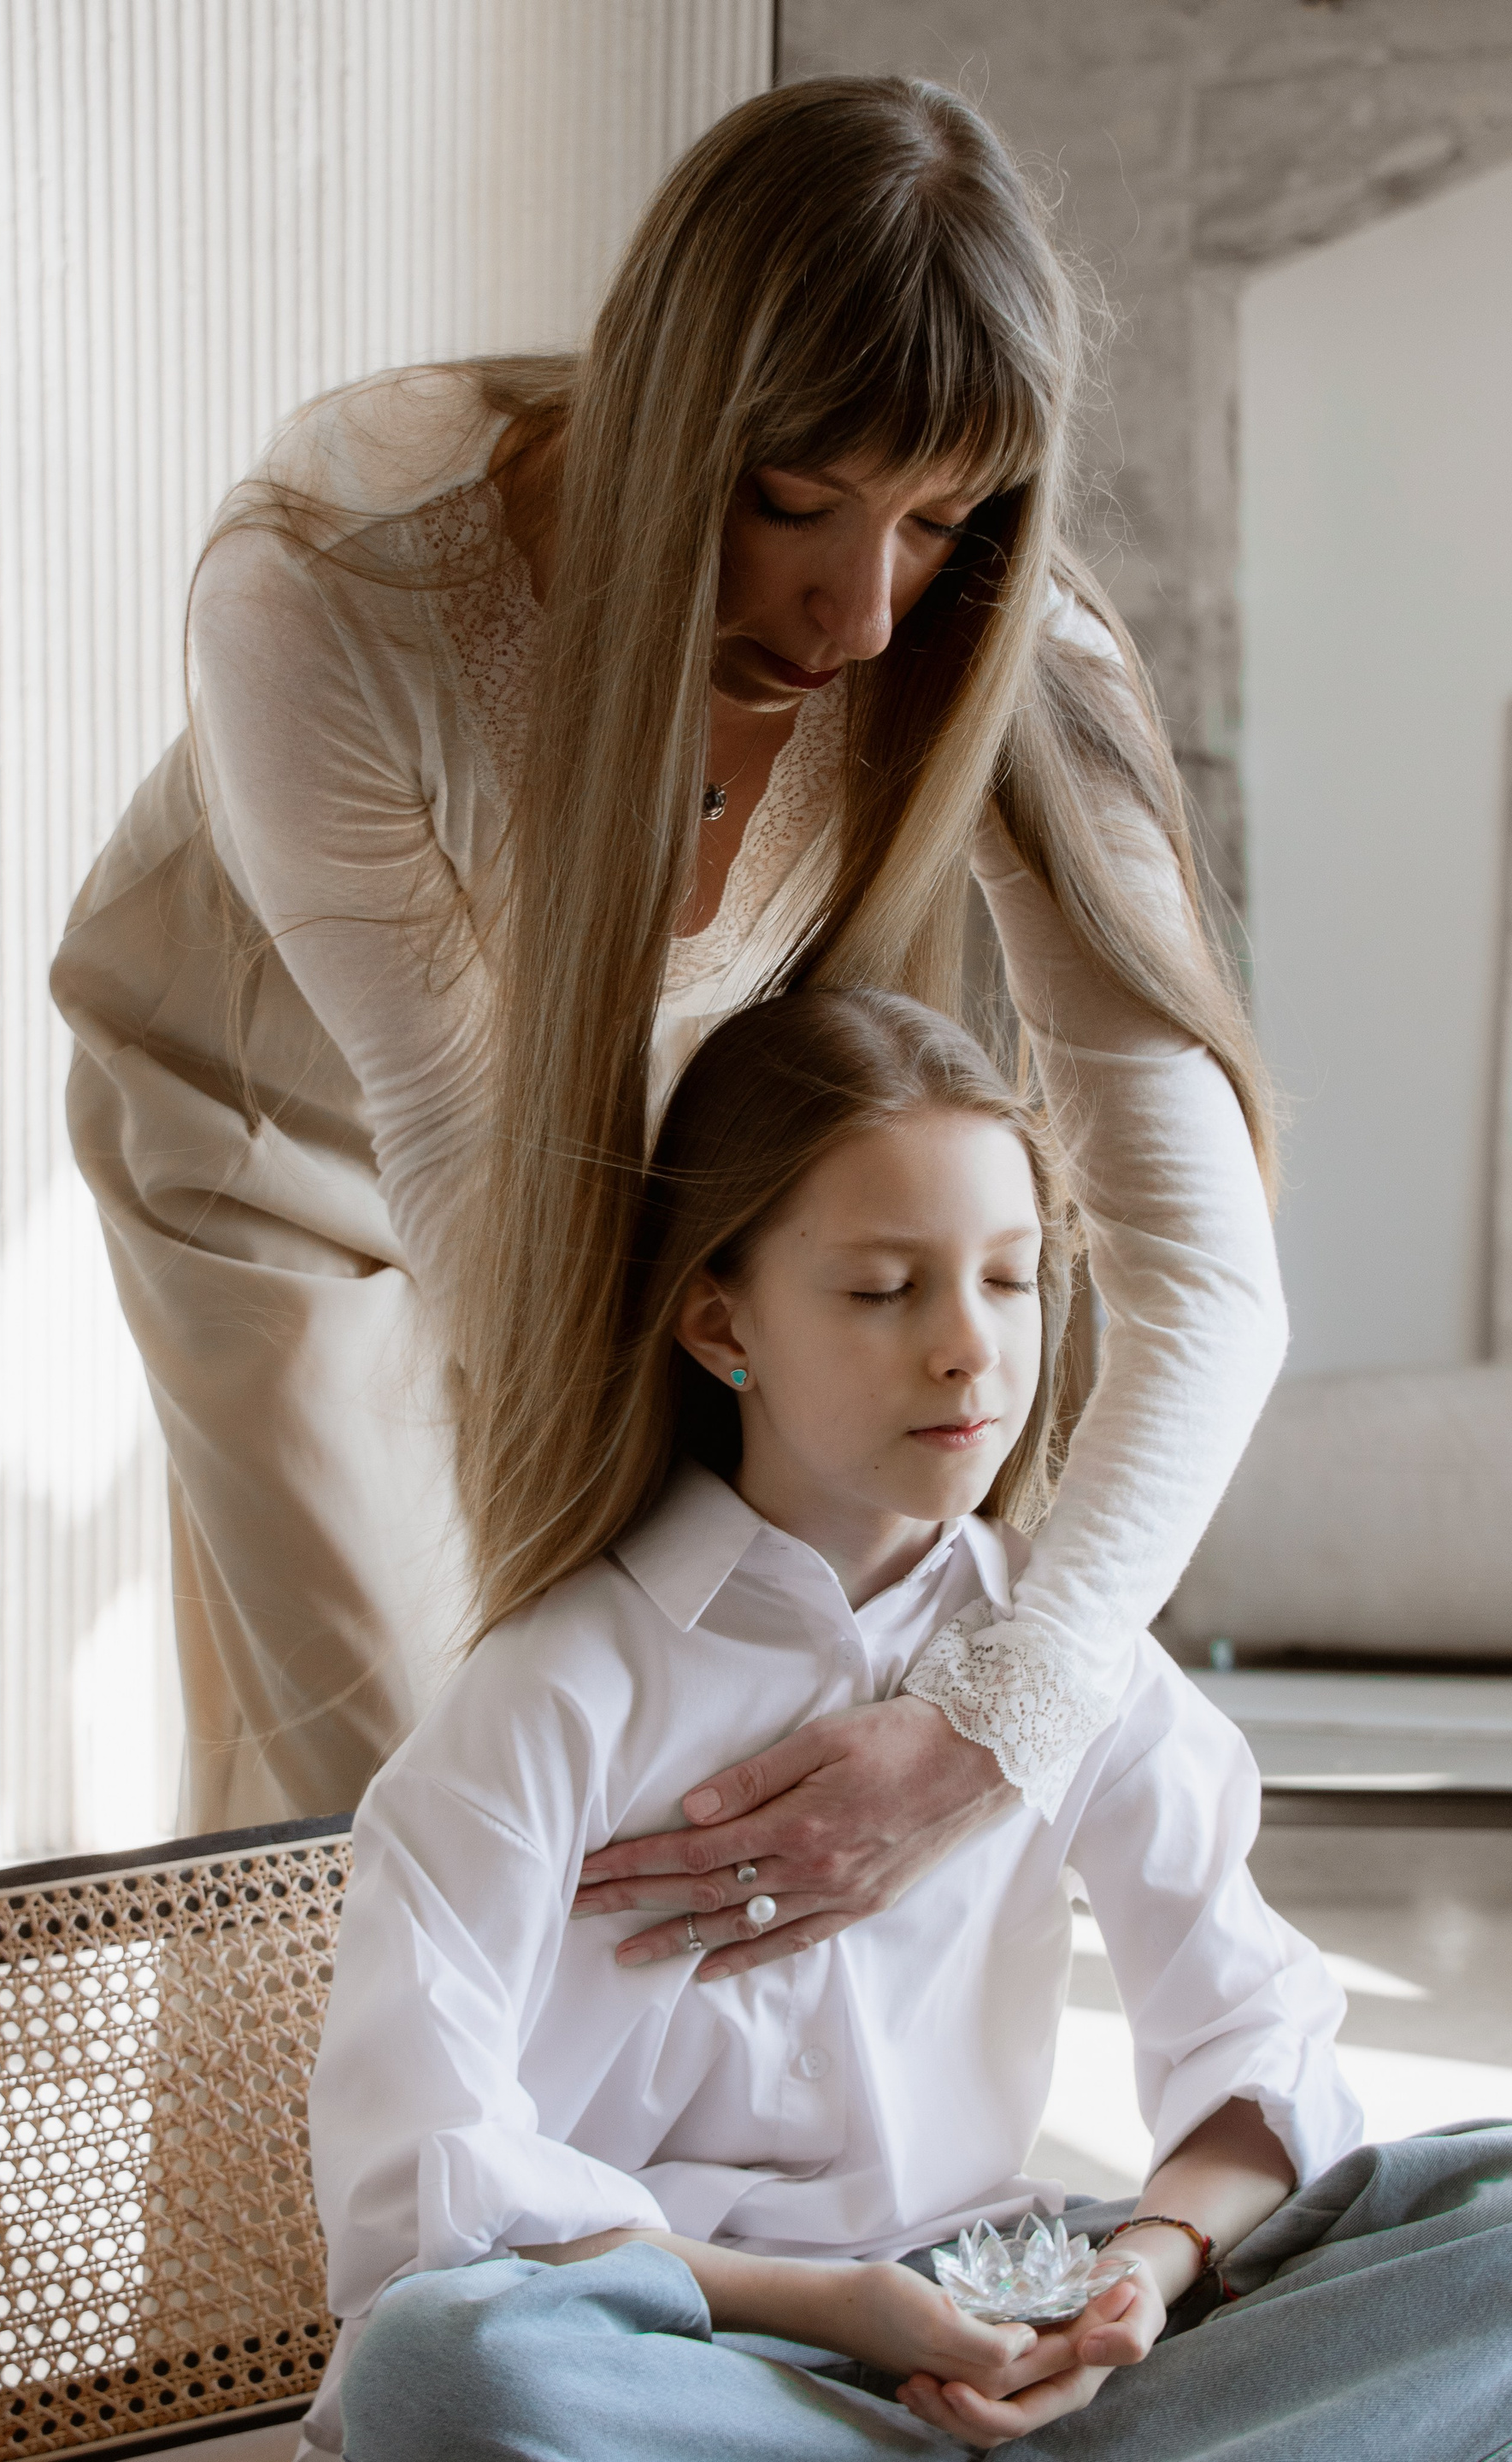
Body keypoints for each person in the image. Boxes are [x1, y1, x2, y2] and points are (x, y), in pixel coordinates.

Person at [52, 80, 1285, 1923]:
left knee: (722, 1752)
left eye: (941, 520)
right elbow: (467, 1154)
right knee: (391, 1799)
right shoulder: (329, 585)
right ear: (669, 419)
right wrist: (651, 1634)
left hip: (624, 1157)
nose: (863, 614)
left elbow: (1208, 1274)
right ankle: (313, 2111)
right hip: (269, 1136)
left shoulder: (1017, 651)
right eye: (796, 503)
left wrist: (1003, 1713)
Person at [308, 989, 1511, 2462]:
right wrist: (832, 2309)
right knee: (445, 2366)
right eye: (885, 1290)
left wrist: (1138, 2280)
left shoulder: (1072, 1662)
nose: (968, 1349)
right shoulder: (552, 1693)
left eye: (1009, 1281)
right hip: (683, 2339)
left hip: (1009, 2301)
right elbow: (413, 2181)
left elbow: (1254, 2038)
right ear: (720, 1321)